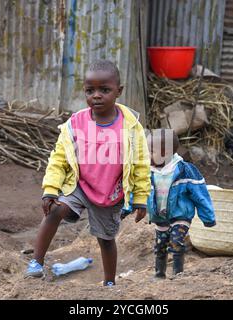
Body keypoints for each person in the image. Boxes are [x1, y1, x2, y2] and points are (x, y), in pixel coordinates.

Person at [26, 60, 151, 286]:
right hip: (80, 184)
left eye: (105, 90)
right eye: (90, 90)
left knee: (105, 240)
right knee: (54, 211)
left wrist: (141, 198)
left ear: (118, 91)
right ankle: (36, 262)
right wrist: (51, 189)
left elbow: (141, 164)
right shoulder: (76, 123)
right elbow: (59, 157)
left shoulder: (131, 126)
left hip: (110, 193)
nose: (96, 95)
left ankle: (109, 282)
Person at [146, 129, 216, 277]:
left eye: (151, 152)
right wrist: (130, 207)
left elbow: (200, 194)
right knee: (160, 244)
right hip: (160, 215)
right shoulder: (148, 172)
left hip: (180, 214)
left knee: (176, 242)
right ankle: (159, 274)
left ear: (166, 154)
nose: (147, 155)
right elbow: (137, 191)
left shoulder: (184, 170)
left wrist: (208, 217)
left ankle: (178, 274)